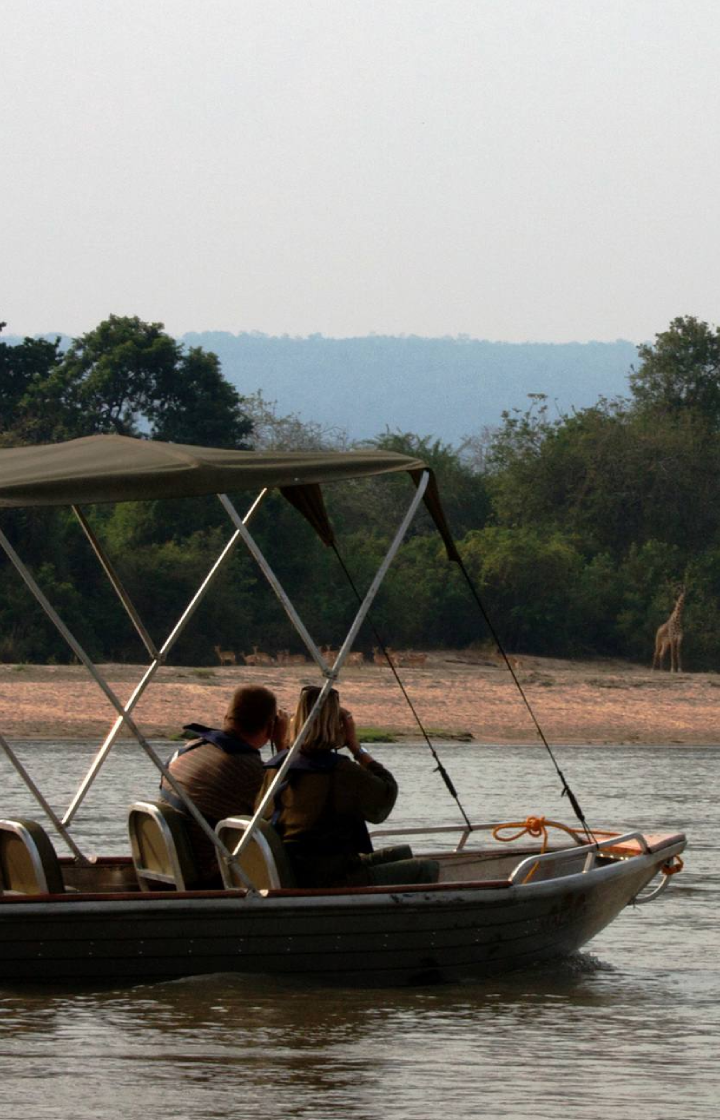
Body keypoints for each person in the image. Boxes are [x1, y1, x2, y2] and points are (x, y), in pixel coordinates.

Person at [256, 685, 438, 888]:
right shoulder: (340, 771)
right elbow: (385, 797)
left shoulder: (277, 768)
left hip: (297, 866)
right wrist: (356, 748)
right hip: (330, 877)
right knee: (426, 868)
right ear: (336, 726)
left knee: (401, 853)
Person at [160, 684, 288, 886]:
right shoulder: (248, 768)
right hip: (209, 872)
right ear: (271, 727)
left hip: (169, 862)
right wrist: (282, 746)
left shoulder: (187, 750)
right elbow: (284, 814)